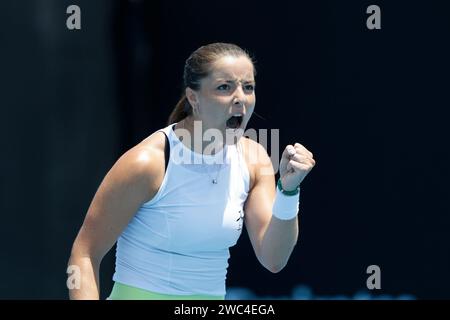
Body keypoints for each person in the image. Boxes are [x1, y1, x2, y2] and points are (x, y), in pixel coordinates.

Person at [67, 42, 316, 300]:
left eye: (248, 87)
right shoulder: (147, 163)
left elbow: (274, 259)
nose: (240, 98)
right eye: (224, 87)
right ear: (193, 97)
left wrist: (288, 192)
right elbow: (84, 254)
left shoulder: (255, 160)